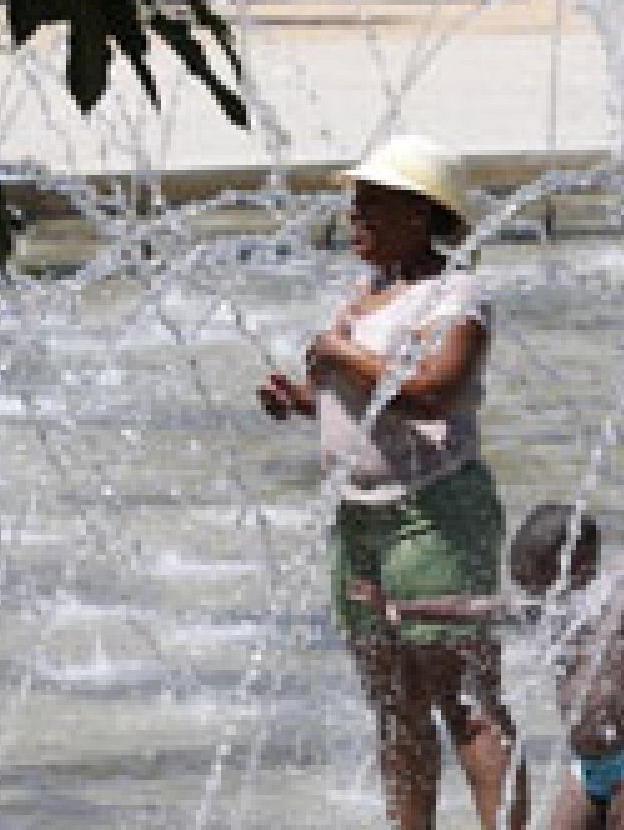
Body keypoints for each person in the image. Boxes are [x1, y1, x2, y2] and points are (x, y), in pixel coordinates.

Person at [255, 135, 528, 830]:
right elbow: (369, 401)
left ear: (419, 213)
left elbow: (436, 391)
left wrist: (340, 354)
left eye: (371, 205)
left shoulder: (456, 296)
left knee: (465, 700)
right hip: (361, 519)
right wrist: (305, 403)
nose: (355, 218)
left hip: (433, 513)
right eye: (355, 205)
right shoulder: (367, 295)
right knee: (396, 707)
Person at [358, 503, 624, 829]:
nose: (535, 598)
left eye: (538, 585)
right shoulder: (555, 606)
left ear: (575, 567)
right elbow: (474, 606)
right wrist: (400, 609)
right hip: (586, 767)